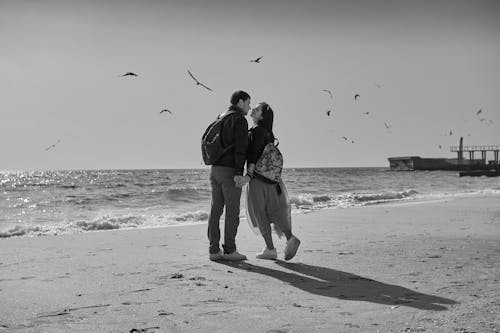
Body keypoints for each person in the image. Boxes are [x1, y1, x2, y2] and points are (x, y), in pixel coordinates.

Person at [244, 102, 301, 260]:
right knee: (274, 210)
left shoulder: (256, 130)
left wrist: (248, 174)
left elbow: (254, 153)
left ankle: (270, 249)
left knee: (260, 212)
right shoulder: (269, 133)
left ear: (262, 115)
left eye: (256, 109)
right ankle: (290, 238)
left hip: (258, 178)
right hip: (272, 179)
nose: (253, 110)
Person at [207, 90, 251, 261]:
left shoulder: (221, 116)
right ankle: (230, 251)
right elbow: (241, 148)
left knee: (215, 210)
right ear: (240, 102)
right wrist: (240, 173)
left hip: (215, 170)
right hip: (230, 171)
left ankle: (213, 250)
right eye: (248, 103)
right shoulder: (239, 119)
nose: (249, 107)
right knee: (232, 212)